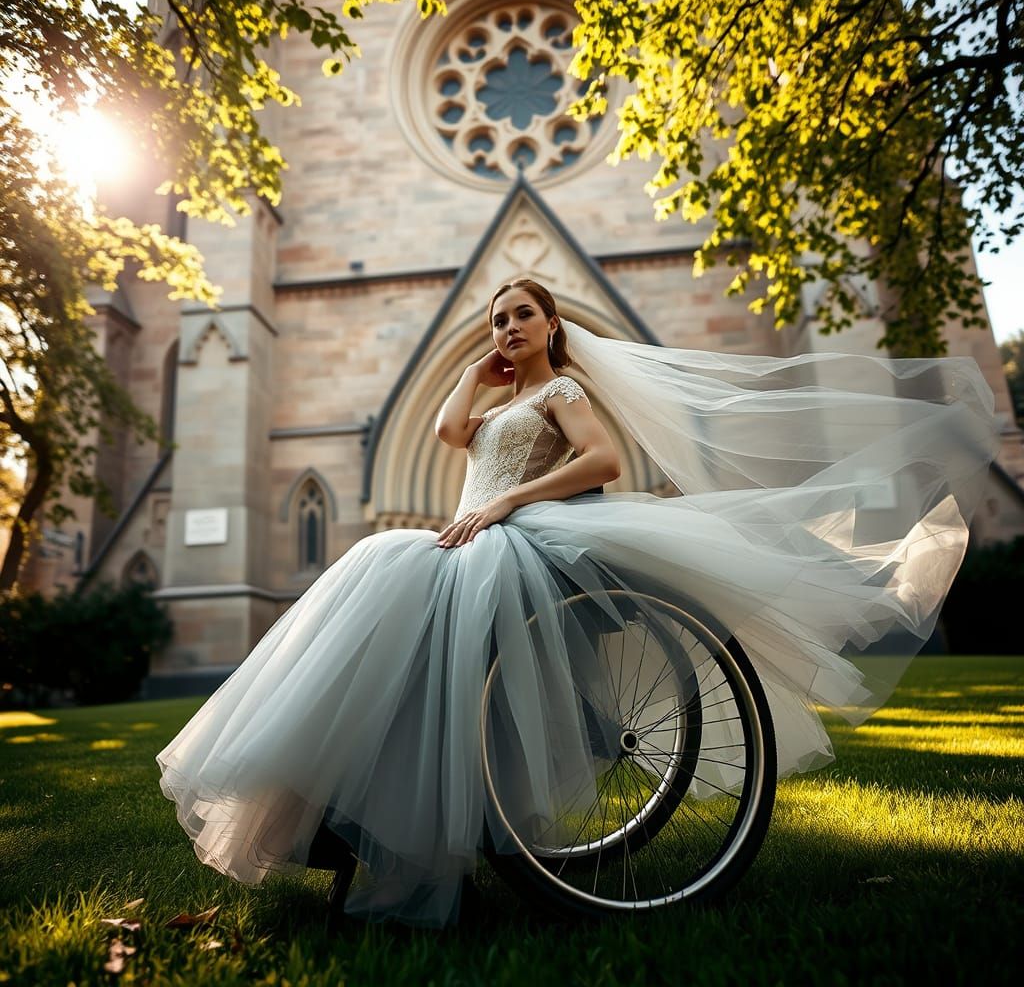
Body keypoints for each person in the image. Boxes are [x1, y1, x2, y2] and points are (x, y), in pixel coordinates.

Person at [156, 276, 1000, 930]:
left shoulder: (562, 394)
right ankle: (353, 816)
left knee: (395, 574)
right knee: (379, 580)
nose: (510, 327)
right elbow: (450, 434)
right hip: (466, 535)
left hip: (515, 540)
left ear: (553, 327)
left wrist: (506, 505)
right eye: (499, 319)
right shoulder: (496, 398)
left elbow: (602, 465)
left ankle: (403, 826)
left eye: (523, 314)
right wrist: (469, 369)